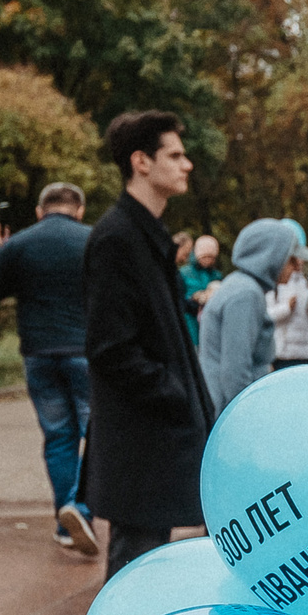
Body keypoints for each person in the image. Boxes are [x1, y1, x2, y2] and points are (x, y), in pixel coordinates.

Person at [82, 112, 213, 578]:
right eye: (174, 155)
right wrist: (172, 392)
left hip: (154, 436)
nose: (187, 164)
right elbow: (110, 348)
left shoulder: (146, 238)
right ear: (141, 162)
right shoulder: (117, 239)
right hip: (139, 443)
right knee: (132, 574)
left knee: (146, 567)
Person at [0, 182, 98, 557]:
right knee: (96, 433)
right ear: (80, 209)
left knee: (58, 436)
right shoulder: (93, 241)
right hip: (85, 351)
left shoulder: (20, 244)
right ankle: (83, 508)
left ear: (40, 211)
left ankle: (64, 521)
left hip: (39, 353)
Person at [197, 220, 294, 413]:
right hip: (228, 411)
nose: (297, 266)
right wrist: (246, 417)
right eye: (291, 259)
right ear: (270, 257)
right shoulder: (246, 295)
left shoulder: (240, 285)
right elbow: (235, 372)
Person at [266, 240, 308, 372]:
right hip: (282, 352)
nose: (299, 263)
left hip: (304, 351)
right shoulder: (272, 285)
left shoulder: (305, 282)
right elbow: (266, 315)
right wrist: (286, 308)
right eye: (294, 260)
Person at [180, 234, 221, 346]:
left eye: (210, 257)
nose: (207, 260)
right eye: (204, 257)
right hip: (190, 322)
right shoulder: (184, 273)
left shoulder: (216, 275)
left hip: (211, 322)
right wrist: (194, 299)